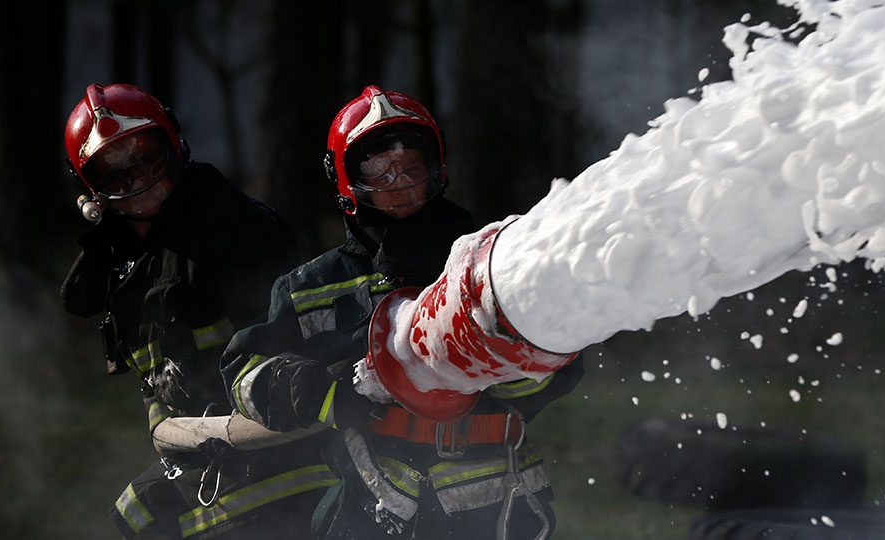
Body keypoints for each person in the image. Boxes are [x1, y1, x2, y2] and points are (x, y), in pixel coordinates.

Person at [221, 85, 584, 539]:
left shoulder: (487, 261)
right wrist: (317, 390)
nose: (403, 182)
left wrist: (504, 366)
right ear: (346, 181)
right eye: (381, 172)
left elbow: (563, 361)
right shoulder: (309, 286)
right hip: (370, 503)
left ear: (438, 168)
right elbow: (244, 373)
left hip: (499, 502)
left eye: (413, 166)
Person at [60, 83, 333, 539]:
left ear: (175, 148)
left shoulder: (236, 230)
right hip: (197, 456)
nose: (137, 181)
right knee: (131, 518)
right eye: (115, 173)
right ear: (93, 190)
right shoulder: (131, 256)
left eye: (146, 158)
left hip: (279, 465)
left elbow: (285, 353)